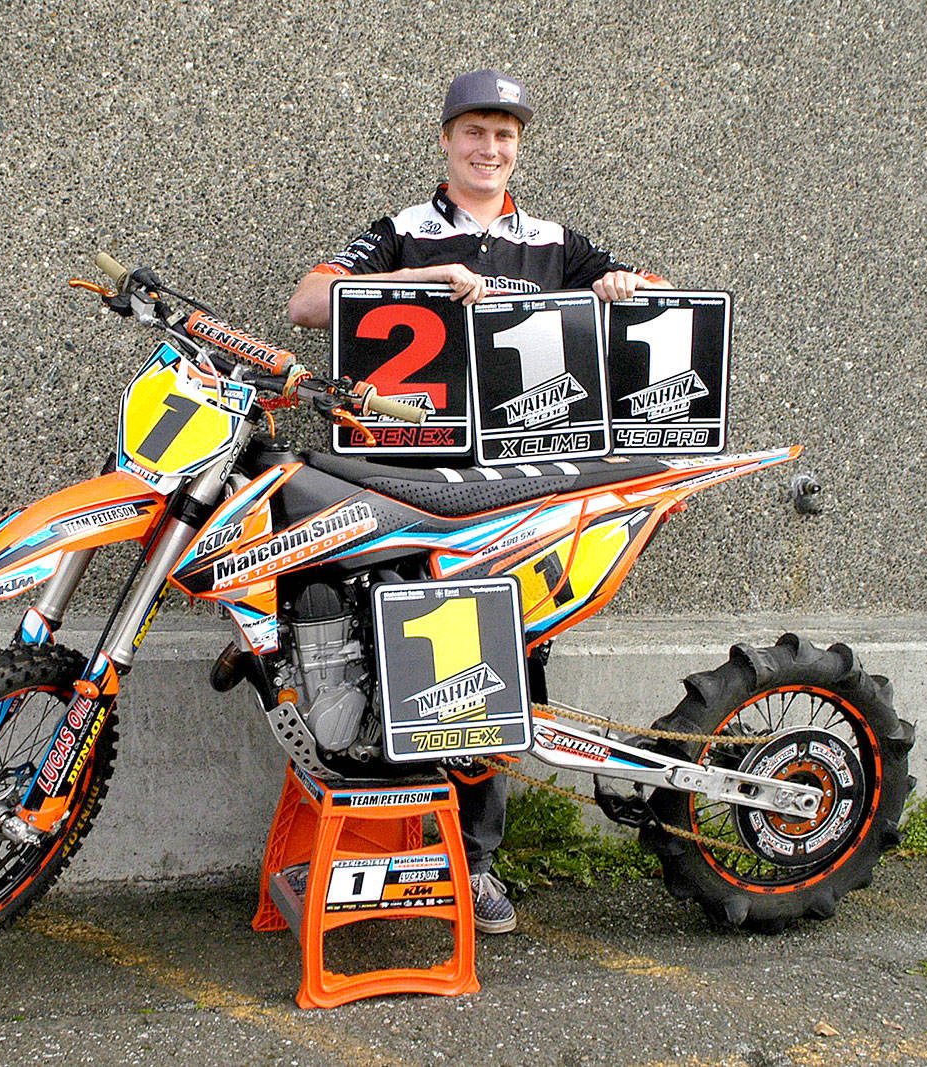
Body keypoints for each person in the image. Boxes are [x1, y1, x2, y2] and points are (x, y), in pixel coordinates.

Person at [288, 70, 670, 934]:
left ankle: (477, 862)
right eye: (473, 132)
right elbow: (308, 301)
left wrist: (618, 288)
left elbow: (653, 293)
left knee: (502, 662)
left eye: (504, 135)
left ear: (518, 145)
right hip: (412, 481)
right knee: (403, 654)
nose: (488, 149)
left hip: (524, 484)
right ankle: (393, 846)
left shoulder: (553, 238)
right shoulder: (401, 232)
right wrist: (424, 284)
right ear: (446, 140)